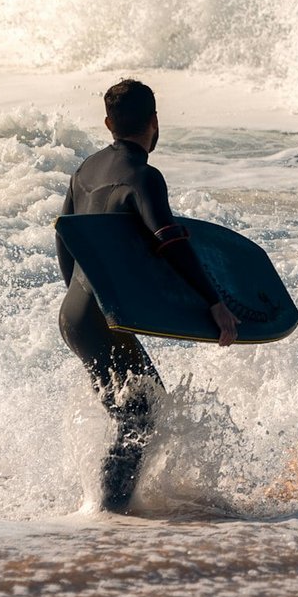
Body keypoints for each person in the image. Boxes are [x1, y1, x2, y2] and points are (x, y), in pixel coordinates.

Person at [55, 79, 239, 513]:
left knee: (133, 410)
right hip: (99, 319)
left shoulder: (83, 172)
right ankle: (108, 513)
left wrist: (86, 301)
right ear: (155, 122)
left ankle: (103, 507)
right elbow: (167, 237)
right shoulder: (143, 175)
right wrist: (213, 300)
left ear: (108, 123)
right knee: (142, 412)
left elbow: (66, 238)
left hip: (76, 316)